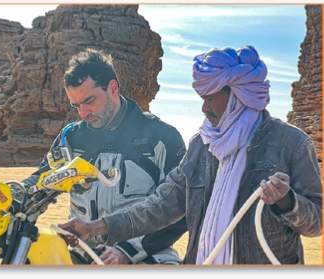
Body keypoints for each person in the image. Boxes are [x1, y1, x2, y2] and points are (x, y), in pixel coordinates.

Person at [57, 45, 323, 265]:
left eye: (211, 97)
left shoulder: (291, 144)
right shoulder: (202, 146)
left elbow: (316, 223)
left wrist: (287, 201)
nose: (204, 107)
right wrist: (95, 227)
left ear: (238, 96)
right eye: (201, 98)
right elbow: (160, 205)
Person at [21, 48, 187, 265]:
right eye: (77, 105)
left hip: (146, 253)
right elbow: (42, 180)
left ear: (113, 88)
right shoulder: (71, 138)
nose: (83, 113)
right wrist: (11, 194)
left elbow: (181, 209)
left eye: (89, 101)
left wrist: (127, 251)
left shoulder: (162, 137)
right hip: (80, 252)